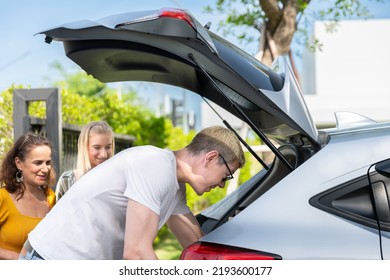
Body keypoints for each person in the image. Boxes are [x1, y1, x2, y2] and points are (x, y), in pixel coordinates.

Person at [20, 126, 245, 260]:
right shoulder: (154, 164)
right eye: (226, 175)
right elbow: (136, 253)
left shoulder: (174, 185)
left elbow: (196, 244)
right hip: (48, 260)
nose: (222, 185)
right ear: (211, 158)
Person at [0, 132, 56, 260]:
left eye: (48, 162)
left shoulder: (50, 197)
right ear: (19, 163)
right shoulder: (3, 197)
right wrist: (17, 258)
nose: (46, 169)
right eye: (38, 163)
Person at [55, 121, 115, 201]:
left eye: (108, 147)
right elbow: (59, 213)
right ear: (84, 148)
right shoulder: (67, 180)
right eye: (97, 147)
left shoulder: (119, 179)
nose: (104, 154)